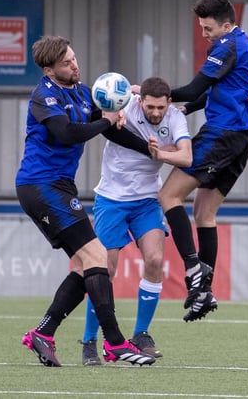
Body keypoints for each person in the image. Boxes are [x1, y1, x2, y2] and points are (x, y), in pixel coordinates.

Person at [15, 35, 155, 367]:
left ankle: (43, 334)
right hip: (40, 186)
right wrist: (106, 119)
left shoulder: (81, 90)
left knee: (83, 265)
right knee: (98, 258)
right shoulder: (43, 96)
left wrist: (149, 150)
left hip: (60, 187)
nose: (75, 65)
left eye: (74, 59)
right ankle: (116, 344)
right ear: (49, 70)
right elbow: (67, 133)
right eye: (66, 63)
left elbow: (109, 129)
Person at [158, 0, 248, 322]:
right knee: (203, 212)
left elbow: (192, 87)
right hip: (243, 139)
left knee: (168, 195)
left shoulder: (226, 45)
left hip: (222, 135)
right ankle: (206, 292)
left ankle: (193, 273)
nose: (205, 35)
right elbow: (219, 90)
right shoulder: (243, 43)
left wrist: (149, 94)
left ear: (226, 25)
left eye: (208, 29)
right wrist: (188, 107)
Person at [80, 76, 192, 365]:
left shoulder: (176, 119)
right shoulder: (125, 105)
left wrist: (160, 153)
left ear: (169, 103)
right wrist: (110, 115)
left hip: (146, 201)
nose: (155, 113)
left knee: (155, 261)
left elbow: (187, 157)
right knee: (103, 271)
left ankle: (141, 334)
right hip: (111, 199)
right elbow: (102, 110)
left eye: (161, 108)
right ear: (140, 102)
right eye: (150, 107)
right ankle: (91, 340)